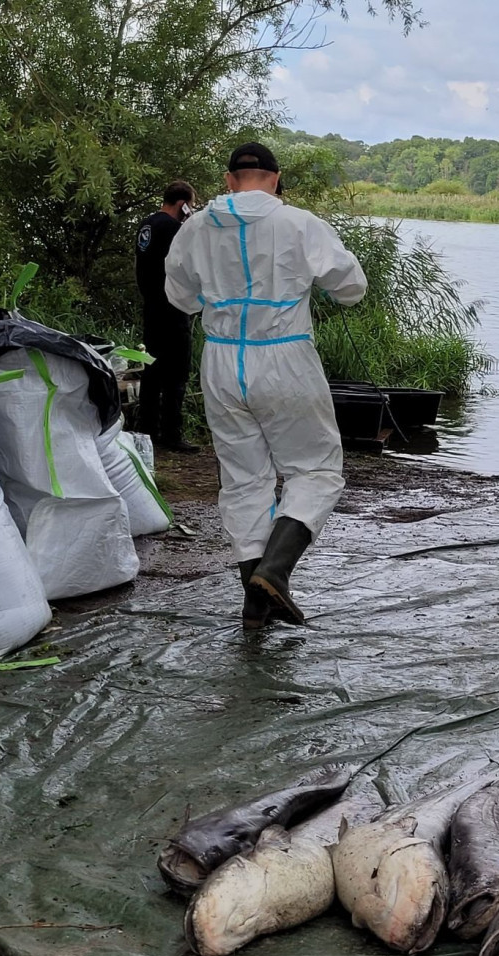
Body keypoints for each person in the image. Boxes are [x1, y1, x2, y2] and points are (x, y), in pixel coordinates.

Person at [164, 141, 368, 631]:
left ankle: (255, 603)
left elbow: (181, 297)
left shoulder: (195, 227)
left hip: (221, 358)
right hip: (284, 355)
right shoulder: (299, 223)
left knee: (243, 479)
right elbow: (351, 288)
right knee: (316, 468)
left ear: (230, 179)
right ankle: (276, 570)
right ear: (275, 179)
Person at [135, 180, 198, 452]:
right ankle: (172, 433)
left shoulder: (146, 225)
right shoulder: (174, 229)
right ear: (183, 204)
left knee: (152, 370)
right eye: (190, 205)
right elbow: (189, 264)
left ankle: (146, 430)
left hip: (151, 307)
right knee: (176, 374)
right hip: (173, 308)